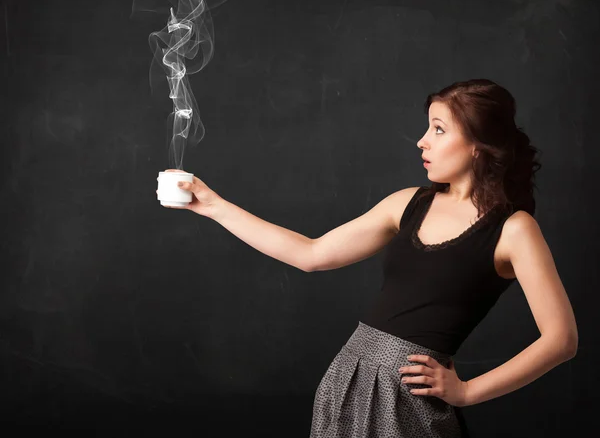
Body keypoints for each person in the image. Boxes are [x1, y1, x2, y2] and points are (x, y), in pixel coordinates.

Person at [160, 78, 578, 437]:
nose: (422, 141)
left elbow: (561, 340)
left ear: (477, 147)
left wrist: (467, 391)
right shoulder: (408, 203)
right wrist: (213, 206)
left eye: (438, 129)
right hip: (347, 380)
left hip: (407, 402)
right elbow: (311, 253)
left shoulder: (514, 229)